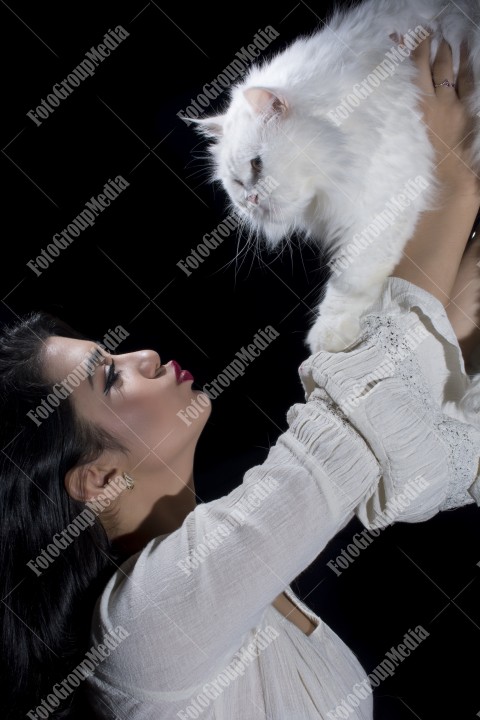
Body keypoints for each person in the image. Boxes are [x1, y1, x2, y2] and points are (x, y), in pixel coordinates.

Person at [0, 34, 479, 720]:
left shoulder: (204, 579)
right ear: (100, 480)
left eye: (112, 352)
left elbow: (409, 426)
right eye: (108, 379)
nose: (142, 357)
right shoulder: (149, 628)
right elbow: (352, 429)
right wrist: (451, 179)